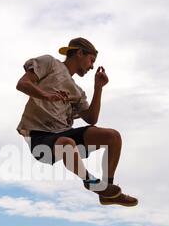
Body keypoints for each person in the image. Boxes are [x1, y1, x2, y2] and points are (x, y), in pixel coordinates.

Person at [16, 37, 138, 207]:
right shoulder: (50, 63)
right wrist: (45, 95)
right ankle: (90, 182)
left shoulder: (77, 92)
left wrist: (98, 88)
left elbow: (91, 119)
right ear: (79, 53)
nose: (92, 66)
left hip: (64, 134)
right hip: (41, 139)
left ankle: (107, 191)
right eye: (91, 60)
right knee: (67, 143)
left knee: (112, 137)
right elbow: (22, 84)